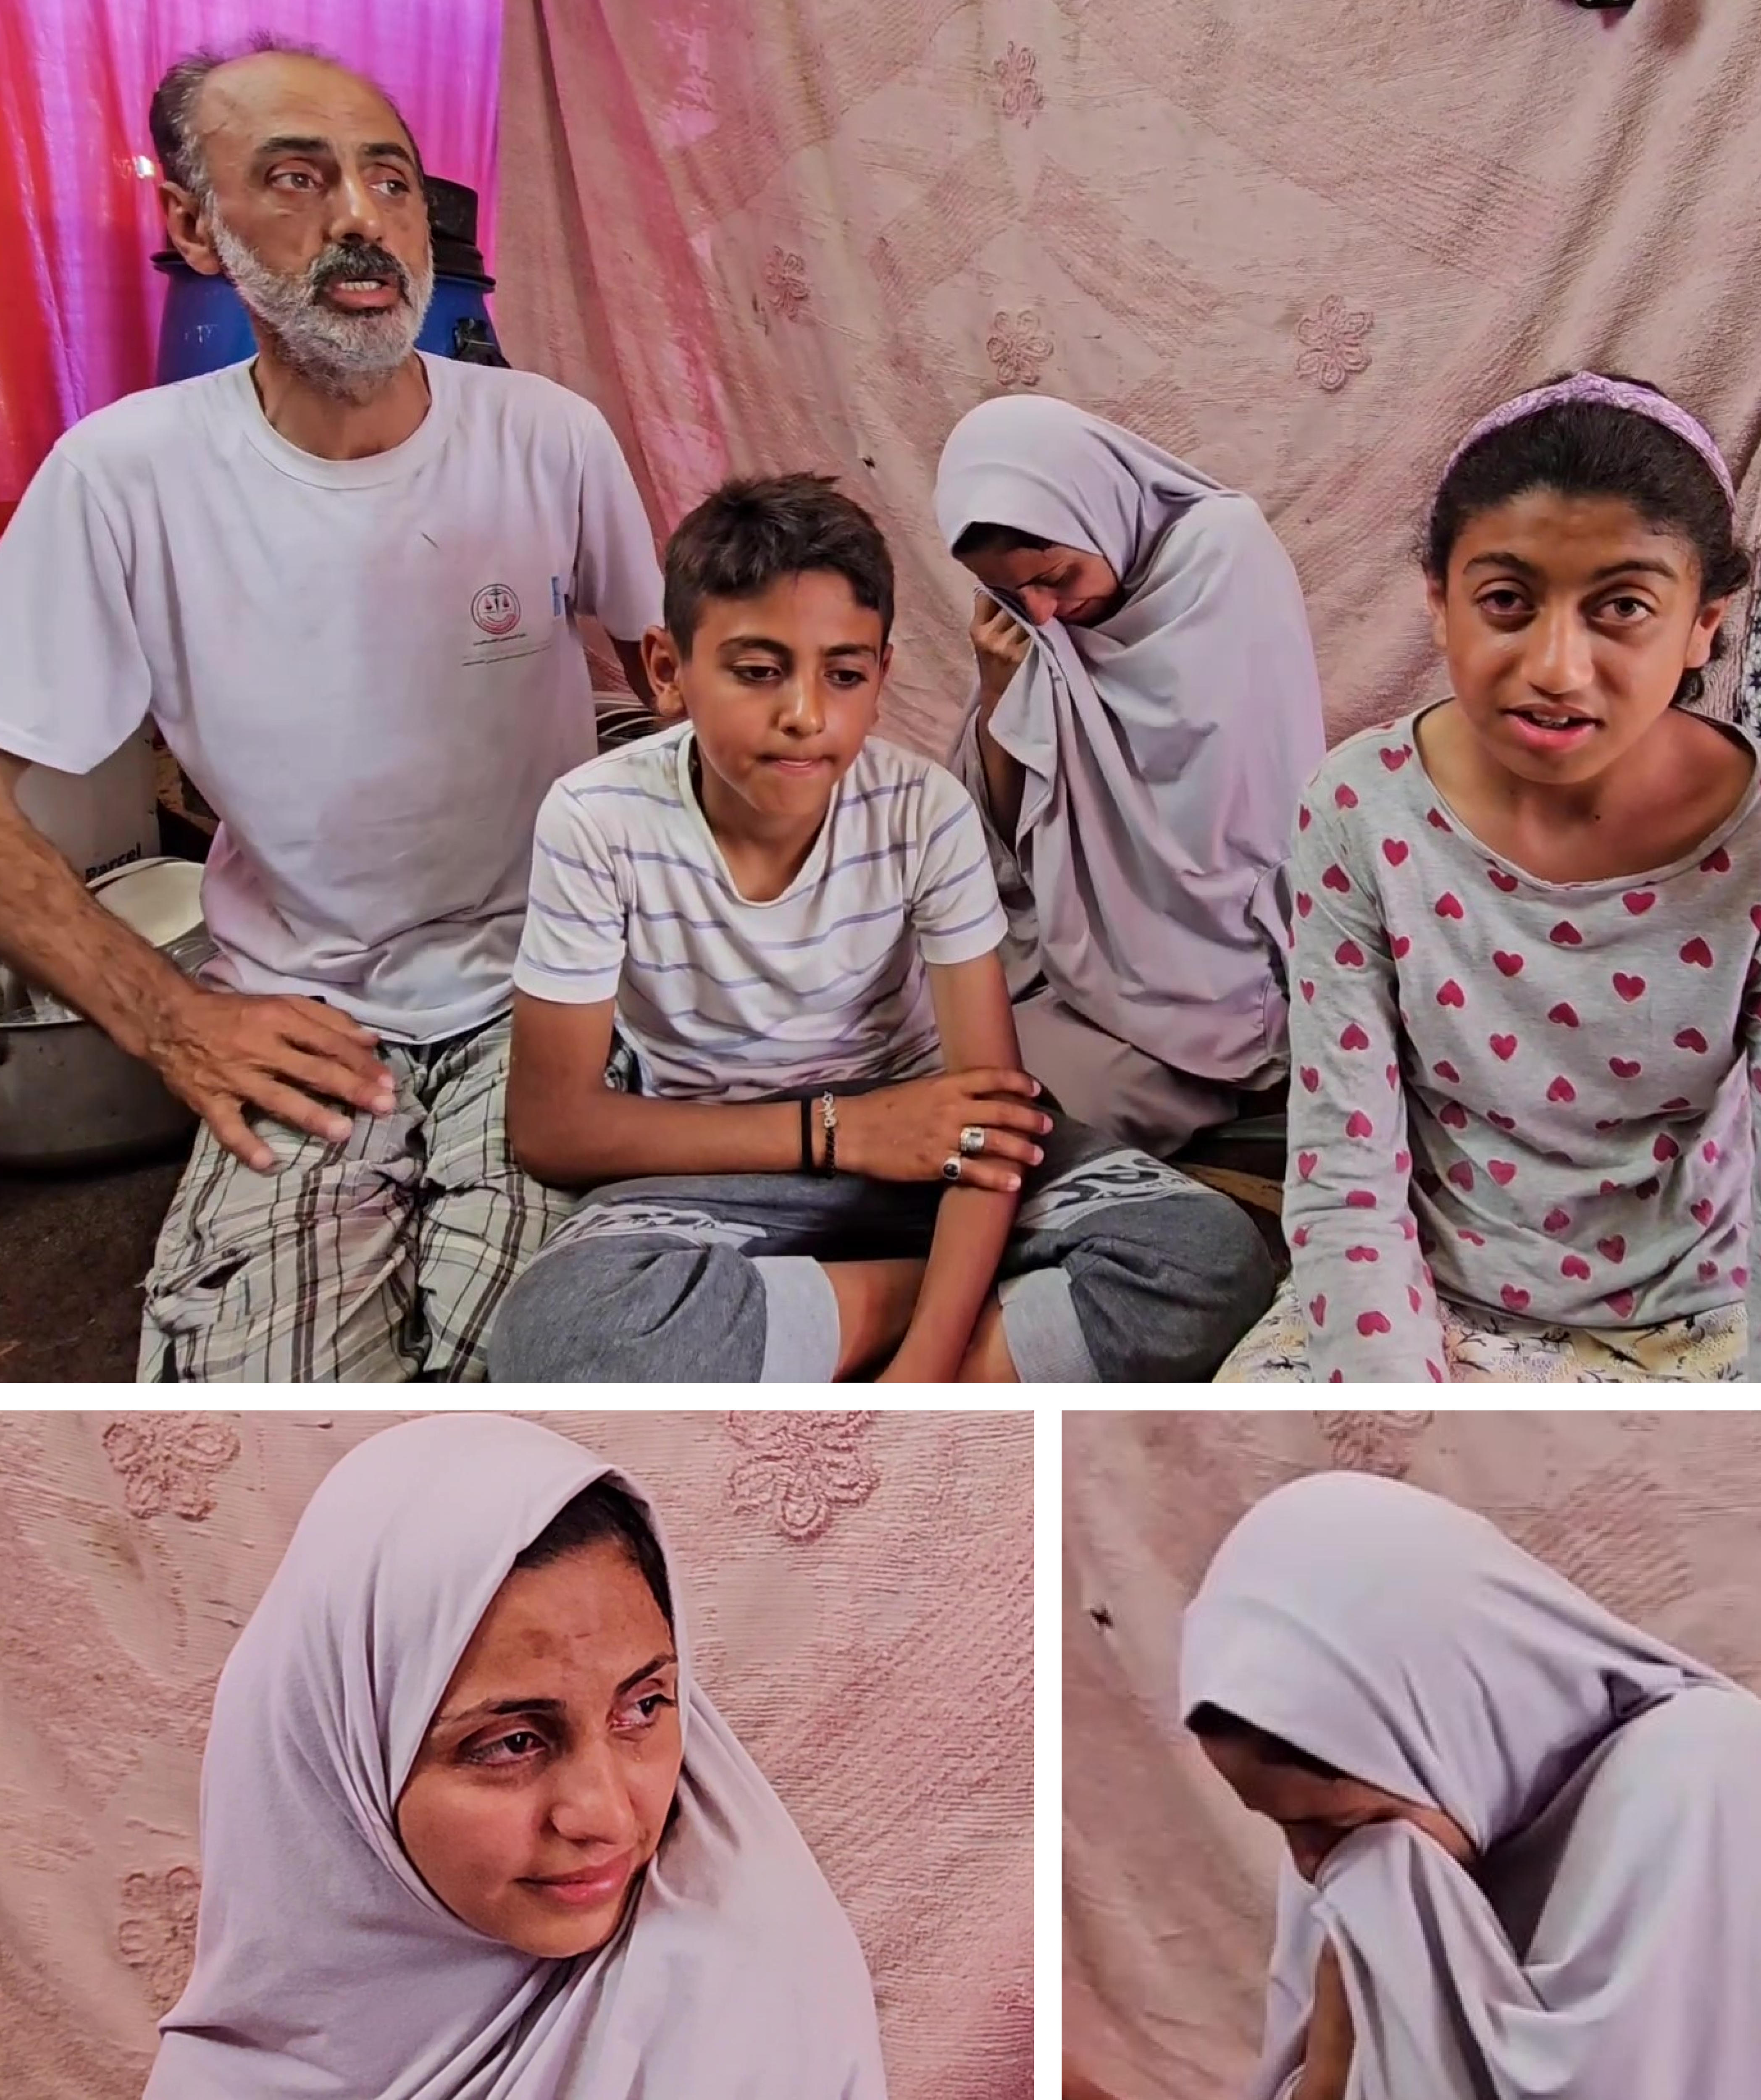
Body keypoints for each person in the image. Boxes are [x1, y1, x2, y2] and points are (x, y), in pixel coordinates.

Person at [0, 38, 662, 1380]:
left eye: (393, 183)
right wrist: (168, 1017)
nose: (363, 220)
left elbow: (680, 681)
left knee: (538, 1372)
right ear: (193, 225)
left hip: (547, 991)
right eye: (297, 178)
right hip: (296, 1010)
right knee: (264, 1406)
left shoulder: (547, 435)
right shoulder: (121, 481)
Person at [484, 474, 1273, 1383]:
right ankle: (950, 1307)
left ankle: (841, 1326)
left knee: (1208, 1258)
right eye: (756, 670)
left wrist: (924, 1373)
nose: (806, 716)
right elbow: (553, 1127)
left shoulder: (923, 813)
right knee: (557, 1336)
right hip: (719, 1165)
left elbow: (985, 1106)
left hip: (936, 1156)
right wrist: (840, 1132)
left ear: (881, 677)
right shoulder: (597, 819)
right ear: (668, 671)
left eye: (844, 674)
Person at [1261, 372, 1761, 1382]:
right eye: (1505, 602)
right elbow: (1343, 1173)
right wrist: (1398, 1414)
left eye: (1620, 607)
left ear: (1704, 622)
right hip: (1414, 1298)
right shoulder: (1358, 807)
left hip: (1702, 1317)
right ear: (1438, 606)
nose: (1556, 668)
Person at [145, 1412, 886, 2097]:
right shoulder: (224, 2073)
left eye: (644, 1707)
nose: (605, 1816)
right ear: (341, 1766)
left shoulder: (740, 2017)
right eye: (511, 1744)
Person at [1178, 1471, 1761, 2100]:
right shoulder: (1361, 1846)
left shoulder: (1703, 1784)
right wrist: (1337, 2029)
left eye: (1332, 1828)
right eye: (1281, 1828)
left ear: (1446, 1732)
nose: (1308, 1866)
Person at [934, 395, 1327, 1156]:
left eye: (1056, 577)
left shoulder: (1222, 557)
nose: (1044, 612)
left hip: (1206, 971)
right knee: (917, 1059)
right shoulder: (1032, 625)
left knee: (1018, 1122)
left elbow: (1228, 827)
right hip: (1073, 957)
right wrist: (996, 694)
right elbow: (1007, 841)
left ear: (1096, 511)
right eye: (1013, 595)